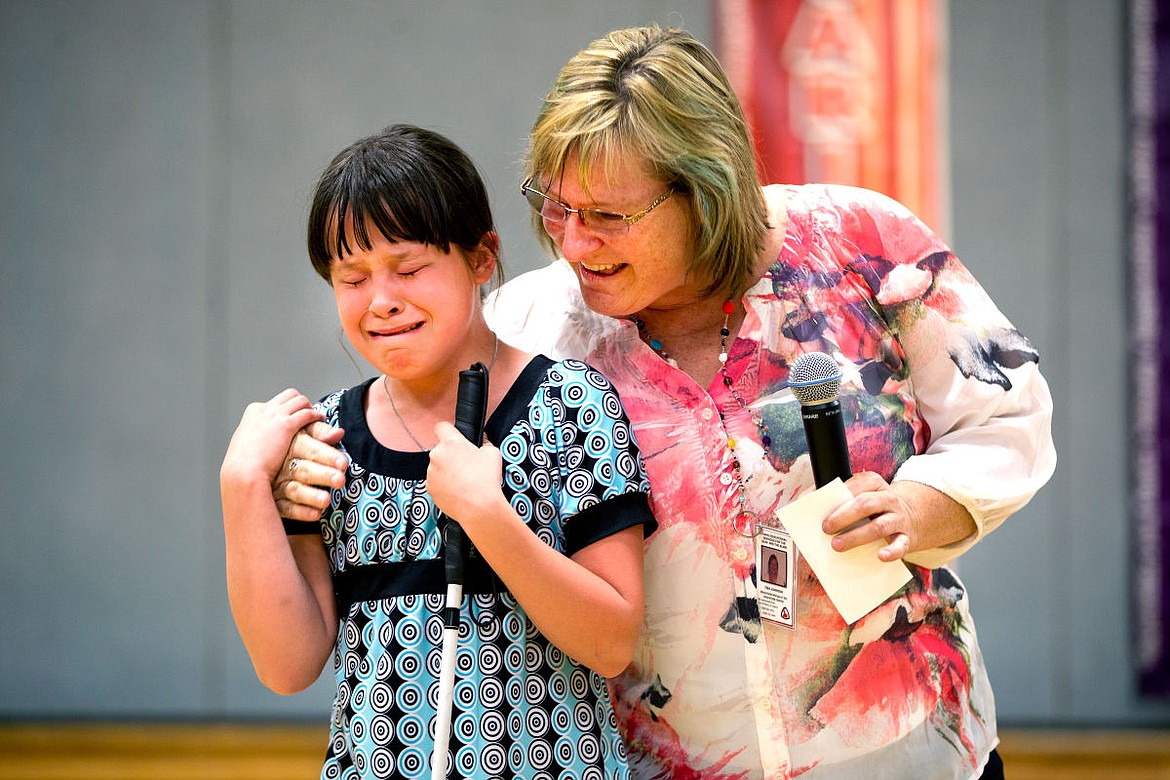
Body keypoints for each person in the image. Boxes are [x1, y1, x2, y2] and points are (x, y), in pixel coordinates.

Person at [276, 28, 1056, 780]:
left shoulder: (858, 241)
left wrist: (922, 509)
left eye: (609, 216)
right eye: (557, 208)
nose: (574, 243)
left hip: (909, 751)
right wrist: (298, 466)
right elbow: (411, 427)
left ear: (706, 189)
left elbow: (1008, 414)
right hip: (668, 763)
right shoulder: (534, 331)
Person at [220, 123, 655, 779]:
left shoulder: (572, 405)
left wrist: (488, 516)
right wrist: (242, 484)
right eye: (352, 277)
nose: (382, 300)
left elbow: (613, 642)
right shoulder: (328, 439)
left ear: (482, 258)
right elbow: (286, 667)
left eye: (409, 268)